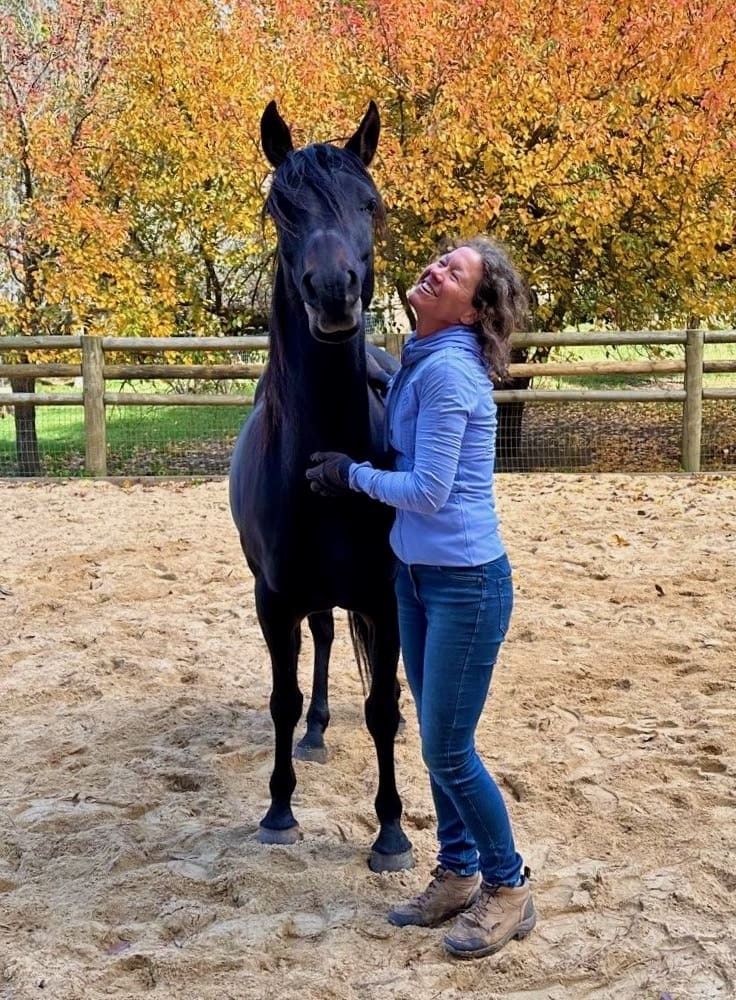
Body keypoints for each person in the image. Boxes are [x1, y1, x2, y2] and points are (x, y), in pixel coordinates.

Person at [306, 236, 535, 960]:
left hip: (463, 582)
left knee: (448, 748)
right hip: (416, 578)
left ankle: (508, 886)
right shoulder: (421, 358)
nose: (435, 267)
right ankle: (458, 872)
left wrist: (351, 474)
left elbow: (429, 492)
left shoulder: (448, 377)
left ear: (472, 310)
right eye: (439, 259)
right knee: (441, 750)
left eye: (454, 272)